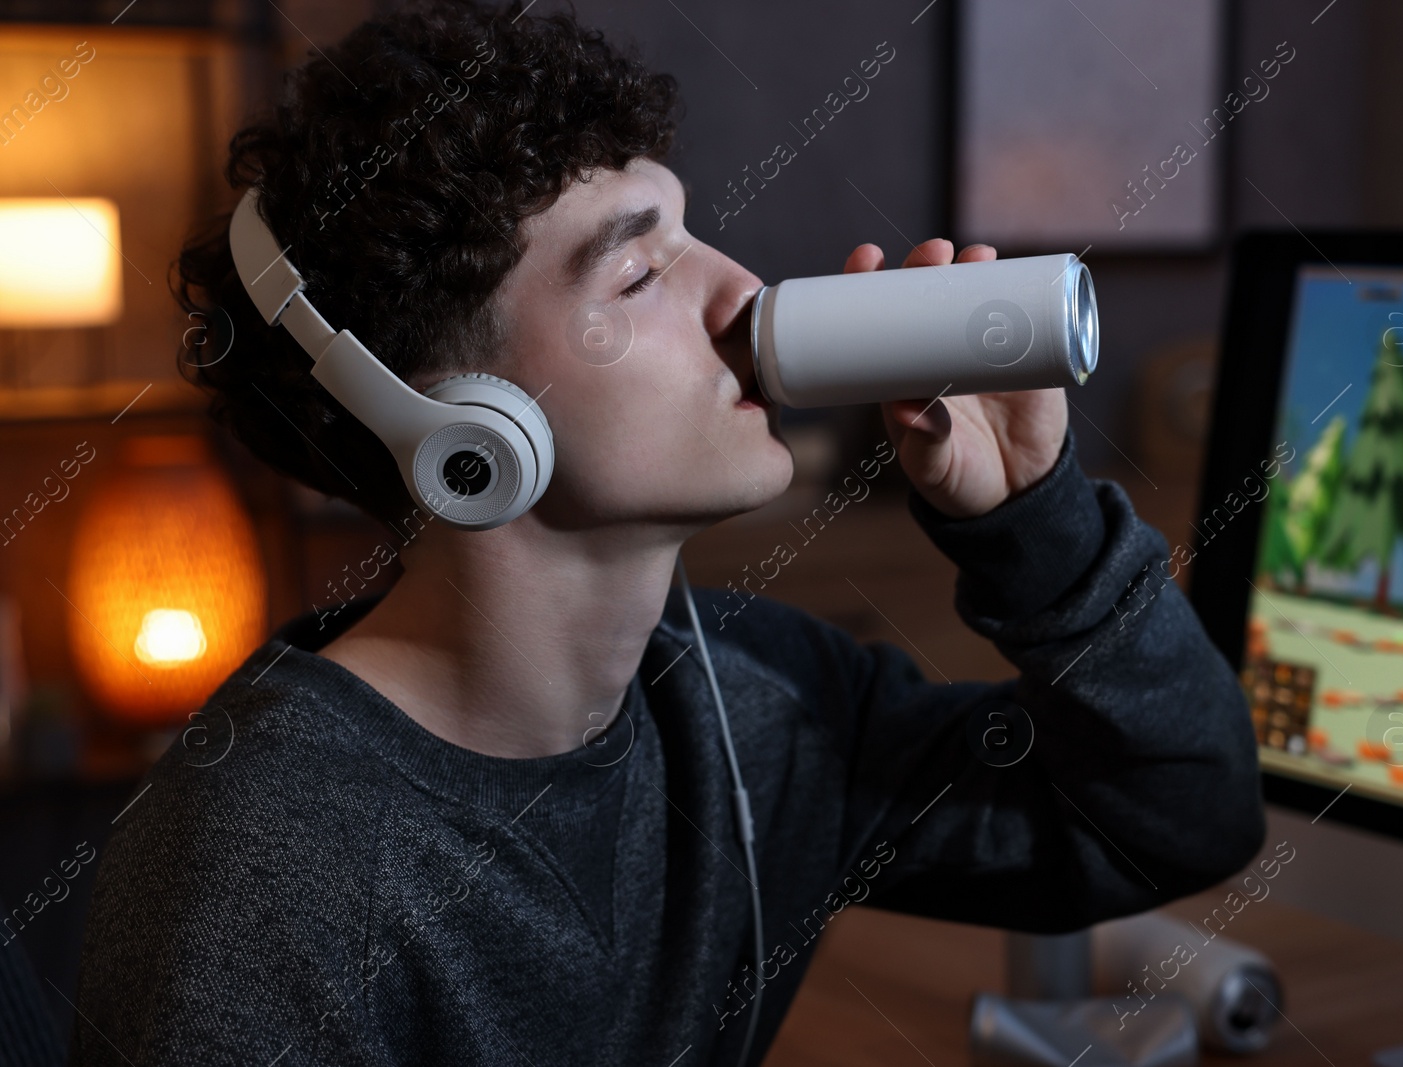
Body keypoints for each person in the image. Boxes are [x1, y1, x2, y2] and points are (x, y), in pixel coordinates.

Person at [66, 4, 1265, 1064]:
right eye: (639, 273)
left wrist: (1032, 520)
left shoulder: (754, 708)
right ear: (458, 430)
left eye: (692, 231)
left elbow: (1180, 816)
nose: (744, 292)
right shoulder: (265, 881)